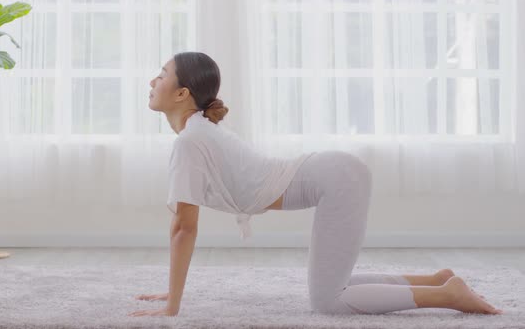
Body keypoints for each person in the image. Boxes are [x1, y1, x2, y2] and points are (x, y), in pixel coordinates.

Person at [129, 52, 503, 317]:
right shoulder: (197, 134)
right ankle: (435, 280)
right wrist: (172, 294)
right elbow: (184, 226)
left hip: (336, 179)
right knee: (332, 282)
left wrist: (172, 306)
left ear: (182, 94)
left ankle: (447, 296)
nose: (152, 80)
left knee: (329, 301)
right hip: (337, 174)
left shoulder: (191, 140)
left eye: (161, 74)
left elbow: (183, 229)